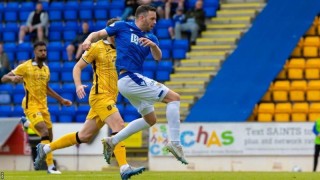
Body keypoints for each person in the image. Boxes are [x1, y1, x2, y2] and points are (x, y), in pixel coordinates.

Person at [33, 19, 145, 180]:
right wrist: (78, 85)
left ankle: (45, 149)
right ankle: (124, 168)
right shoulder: (97, 47)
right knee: (119, 126)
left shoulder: (122, 49)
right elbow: (77, 67)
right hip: (100, 96)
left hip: (110, 98)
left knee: (84, 136)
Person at [82, 5, 188, 165]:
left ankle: (112, 140)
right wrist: (87, 40)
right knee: (174, 98)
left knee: (150, 119)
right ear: (141, 17)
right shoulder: (122, 26)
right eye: (152, 18)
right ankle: (175, 143)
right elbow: (98, 33)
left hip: (130, 82)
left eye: (156, 19)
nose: (155, 22)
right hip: (129, 78)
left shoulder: (151, 37)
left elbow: (158, 57)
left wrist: (153, 45)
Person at [1, 41, 72, 174]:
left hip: (44, 106)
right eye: (41, 50)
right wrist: (12, 78)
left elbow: (46, 89)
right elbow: (4, 77)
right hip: (30, 105)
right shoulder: (25, 66)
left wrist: (61, 100)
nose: (43, 53)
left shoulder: (46, 69)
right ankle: (51, 168)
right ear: (35, 52)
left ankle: (28, 124)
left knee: (49, 137)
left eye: (45, 50)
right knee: (44, 132)